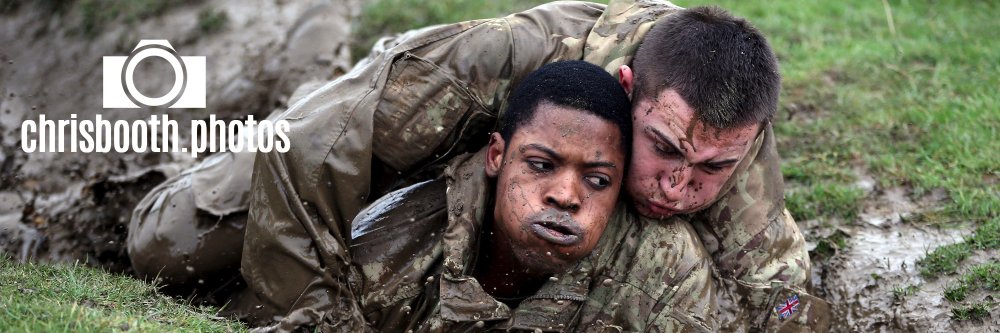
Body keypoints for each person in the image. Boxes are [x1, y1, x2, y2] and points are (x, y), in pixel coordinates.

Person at [128, 1, 828, 331]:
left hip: (473, 186)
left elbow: (785, 294)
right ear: (623, 89)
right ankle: (307, 58)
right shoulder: (496, 62)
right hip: (362, 129)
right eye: (667, 150)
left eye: (712, 169)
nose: (680, 187)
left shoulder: (727, 131)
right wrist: (319, 315)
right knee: (166, 246)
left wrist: (801, 318)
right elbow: (318, 150)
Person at [237, 60, 714, 332]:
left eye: (597, 180)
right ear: (496, 157)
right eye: (541, 166)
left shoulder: (663, 273)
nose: (566, 196)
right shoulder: (389, 251)